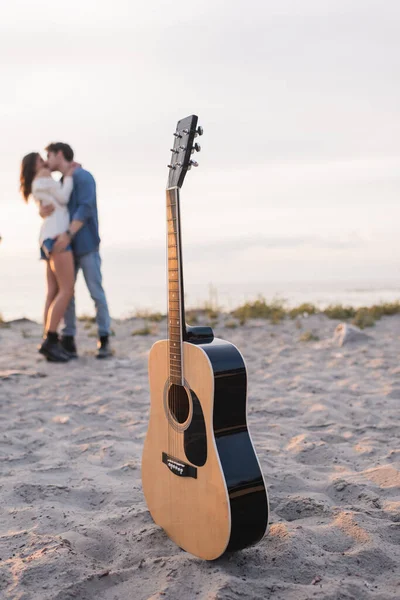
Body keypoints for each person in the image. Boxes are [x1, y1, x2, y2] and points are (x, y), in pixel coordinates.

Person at [40, 143, 112, 359]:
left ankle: (104, 338)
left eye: (49, 156)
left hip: (86, 245)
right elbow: (55, 208)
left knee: (95, 292)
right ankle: (68, 340)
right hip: (67, 248)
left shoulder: (83, 176)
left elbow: (86, 208)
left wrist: (68, 234)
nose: (47, 161)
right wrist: (42, 211)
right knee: (68, 293)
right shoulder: (62, 181)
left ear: (59, 154)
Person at [20, 152, 76, 362]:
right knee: (67, 289)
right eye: (40, 158)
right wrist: (68, 174)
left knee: (53, 291)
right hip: (56, 236)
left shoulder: (35, 182)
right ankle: (51, 340)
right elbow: (63, 197)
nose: (44, 160)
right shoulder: (44, 173)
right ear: (36, 164)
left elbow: (49, 204)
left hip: (46, 237)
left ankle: (48, 337)